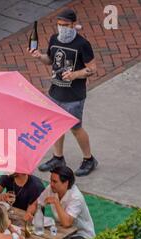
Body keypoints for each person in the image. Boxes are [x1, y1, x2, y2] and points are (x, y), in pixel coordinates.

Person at [29, 8, 98, 176]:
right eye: (60, 25)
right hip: (55, 92)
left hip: (74, 96)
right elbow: (50, 60)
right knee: (55, 126)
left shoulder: (82, 44)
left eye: (66, 25)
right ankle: (57, 157)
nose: (62, 28)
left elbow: (92, 69)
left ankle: (89, 159)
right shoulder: (54, 39)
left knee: (76, 128)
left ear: (74, 25)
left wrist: (75, 74)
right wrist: (39, 56)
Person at [26, 165, 95, 239]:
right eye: (51, 180)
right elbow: (36, 204)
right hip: (62, 231)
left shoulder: (76, 197)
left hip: (81, 235)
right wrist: (29, 214)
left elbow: (67, 223)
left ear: (66, 183)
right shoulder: (51, 189)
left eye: (55, 181)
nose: (51, 184)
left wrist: (56, 202)